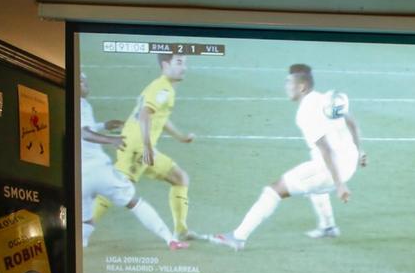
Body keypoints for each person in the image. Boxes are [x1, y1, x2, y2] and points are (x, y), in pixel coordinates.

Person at [212, 63, 367, 251]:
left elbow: (326, 150)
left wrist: (340, 185)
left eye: (289, 83)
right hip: (348, 163)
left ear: (301, 87)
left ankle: (238, 237)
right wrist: (359, 152)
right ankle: (328, 227)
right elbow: (353, 123)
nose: (286, 87)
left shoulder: (305, 112)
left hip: (332, 169)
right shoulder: (326, 99)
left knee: (275, 189)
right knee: (313, 184)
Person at [78, 71, 188, 251]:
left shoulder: (76, 105)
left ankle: (78, 252)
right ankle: (170, 240)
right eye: (81, 82)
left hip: (80, 177)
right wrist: (111, 140)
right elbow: (82, 133)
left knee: (86, 221)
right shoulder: (80, 105)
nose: (86, 84)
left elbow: (81, 129)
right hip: (99, 170)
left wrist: (103, 126)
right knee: (135, 203)